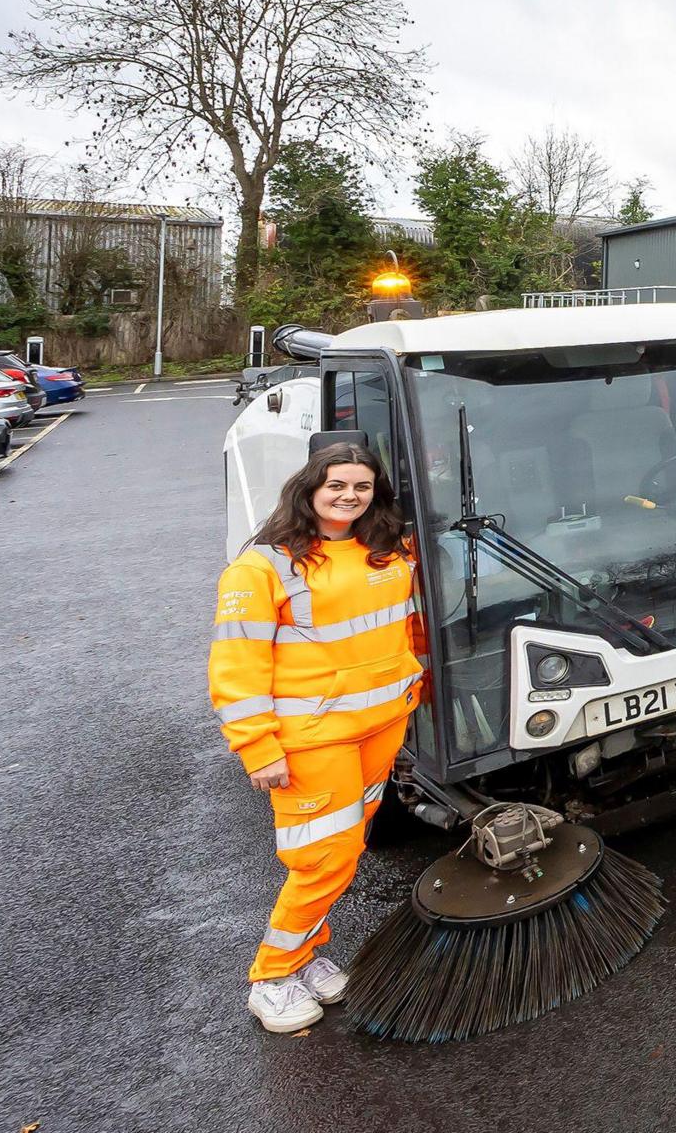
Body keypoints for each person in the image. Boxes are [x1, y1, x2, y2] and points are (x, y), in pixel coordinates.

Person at [210, 443, 423, 1034]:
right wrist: (257, 748)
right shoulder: (262, 567)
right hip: (313, 736)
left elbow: (407, 627)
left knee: (346, 850)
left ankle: (304, 958)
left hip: (381, 725)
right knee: (323, 857)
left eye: (361, 487)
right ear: (307, 489)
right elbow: (236, 667)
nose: (349, 497)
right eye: (336, 486)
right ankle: (272, 976)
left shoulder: (389, 551)